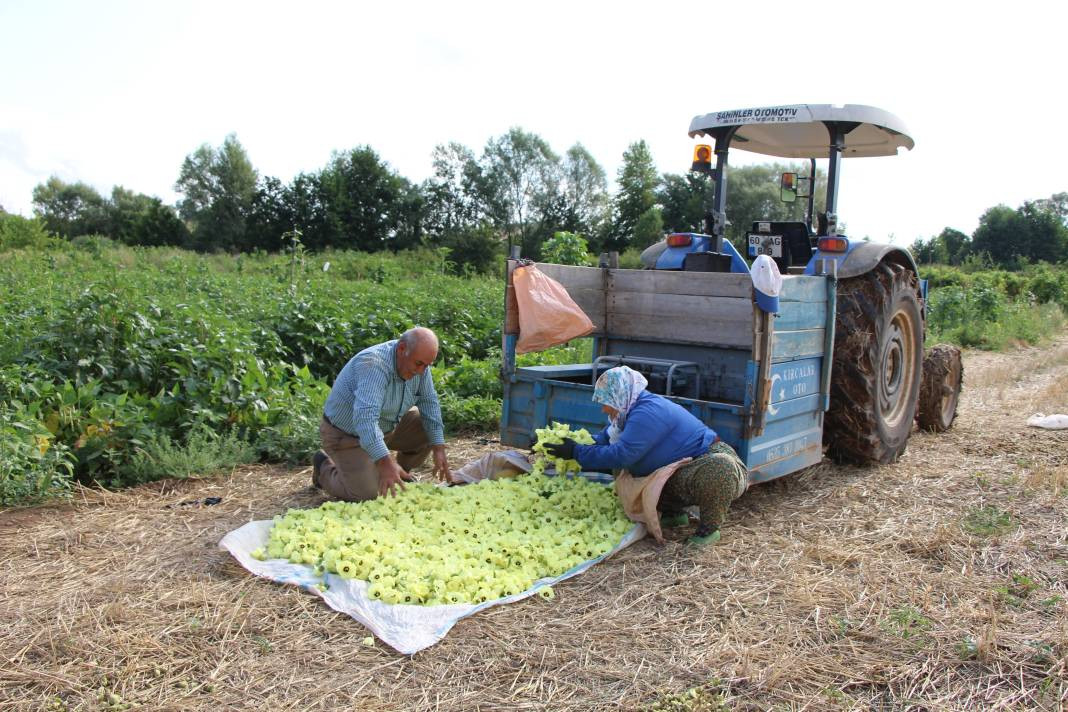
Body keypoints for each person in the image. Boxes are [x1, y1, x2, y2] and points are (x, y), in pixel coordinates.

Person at [544, 365, 747, 544]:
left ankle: (709, 530)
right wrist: (564, 444)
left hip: (705, 459)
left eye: (606, 402)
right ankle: (674, 514)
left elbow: (623, 455)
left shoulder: (648, 412)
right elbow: (603, 440)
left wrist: (576, 452)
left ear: (620, 396)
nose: (603, 409)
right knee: (645, 476)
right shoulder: (625, 414)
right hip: (676, 469)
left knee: (719, 468)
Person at [313, 326, 451, 501]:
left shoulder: (418, 362)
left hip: (387, 426)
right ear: (402, 349)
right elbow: (365, 421)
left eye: (427, 365)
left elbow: (429, 403)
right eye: (419, 364)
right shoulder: (374, 365)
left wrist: (438, 447)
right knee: (367, 494)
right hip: (349, 436)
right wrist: (384, 461)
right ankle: (323, 466)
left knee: (426, 425)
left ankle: (398, 473)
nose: (422, 371)